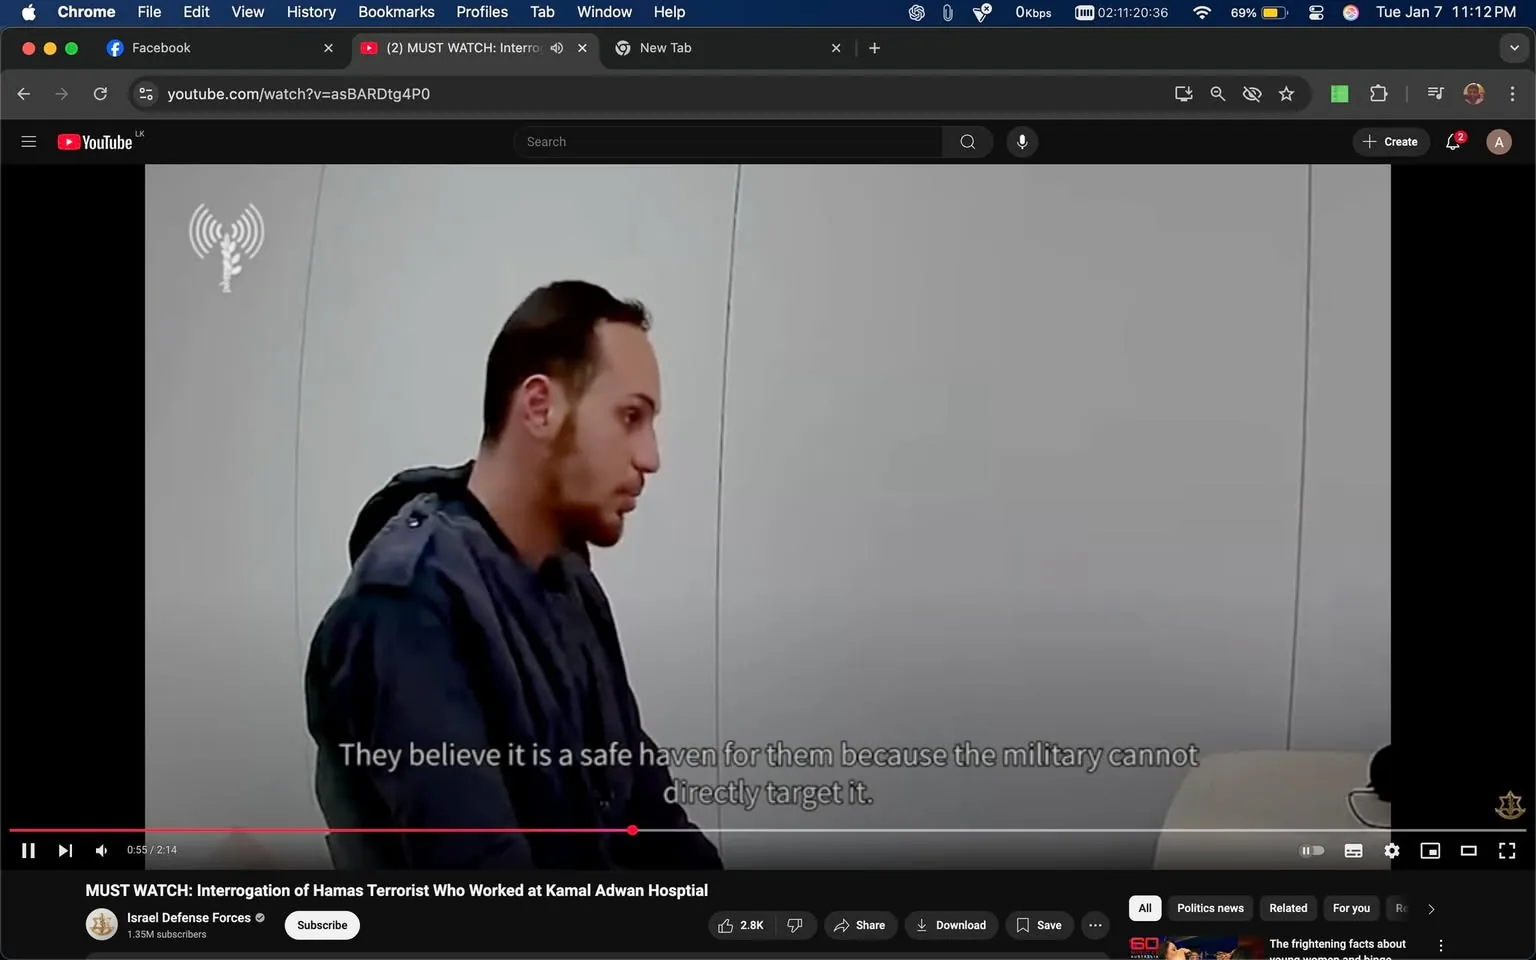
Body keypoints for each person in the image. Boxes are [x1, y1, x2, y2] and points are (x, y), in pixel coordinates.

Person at [305, 281, 722, 869]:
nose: (650, 456)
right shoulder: (406, 606)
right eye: (630, 416)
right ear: (539, 408)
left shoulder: (569, 583)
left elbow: (650, 816)